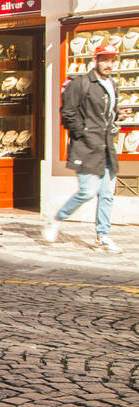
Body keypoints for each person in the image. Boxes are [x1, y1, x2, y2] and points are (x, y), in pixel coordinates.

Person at [44, 42, 122, 252]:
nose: (108, 64)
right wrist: (83, 134)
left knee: (107, 193)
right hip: (86, 147)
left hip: (106, 147)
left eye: (112, 59)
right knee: (88, 191)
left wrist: (116, 122)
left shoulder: (112, 85)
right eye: (104, 59)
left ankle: (103, 236)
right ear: (95, 60)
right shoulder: (82, 83)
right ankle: (57, 218)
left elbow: (110, 113)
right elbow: (68, 112)